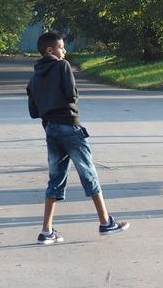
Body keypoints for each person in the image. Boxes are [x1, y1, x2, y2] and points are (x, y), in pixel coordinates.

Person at [27, 32, 129, 245]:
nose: (65, 51)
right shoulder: (63, 66)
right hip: (70, 127)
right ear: (50, 50)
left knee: (56, 178)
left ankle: (46, 231)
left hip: (51, 130)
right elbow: (72, 94)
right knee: (88, 173)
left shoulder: (34, 77)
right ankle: (105, 222)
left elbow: (33, 111)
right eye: (62, 47)